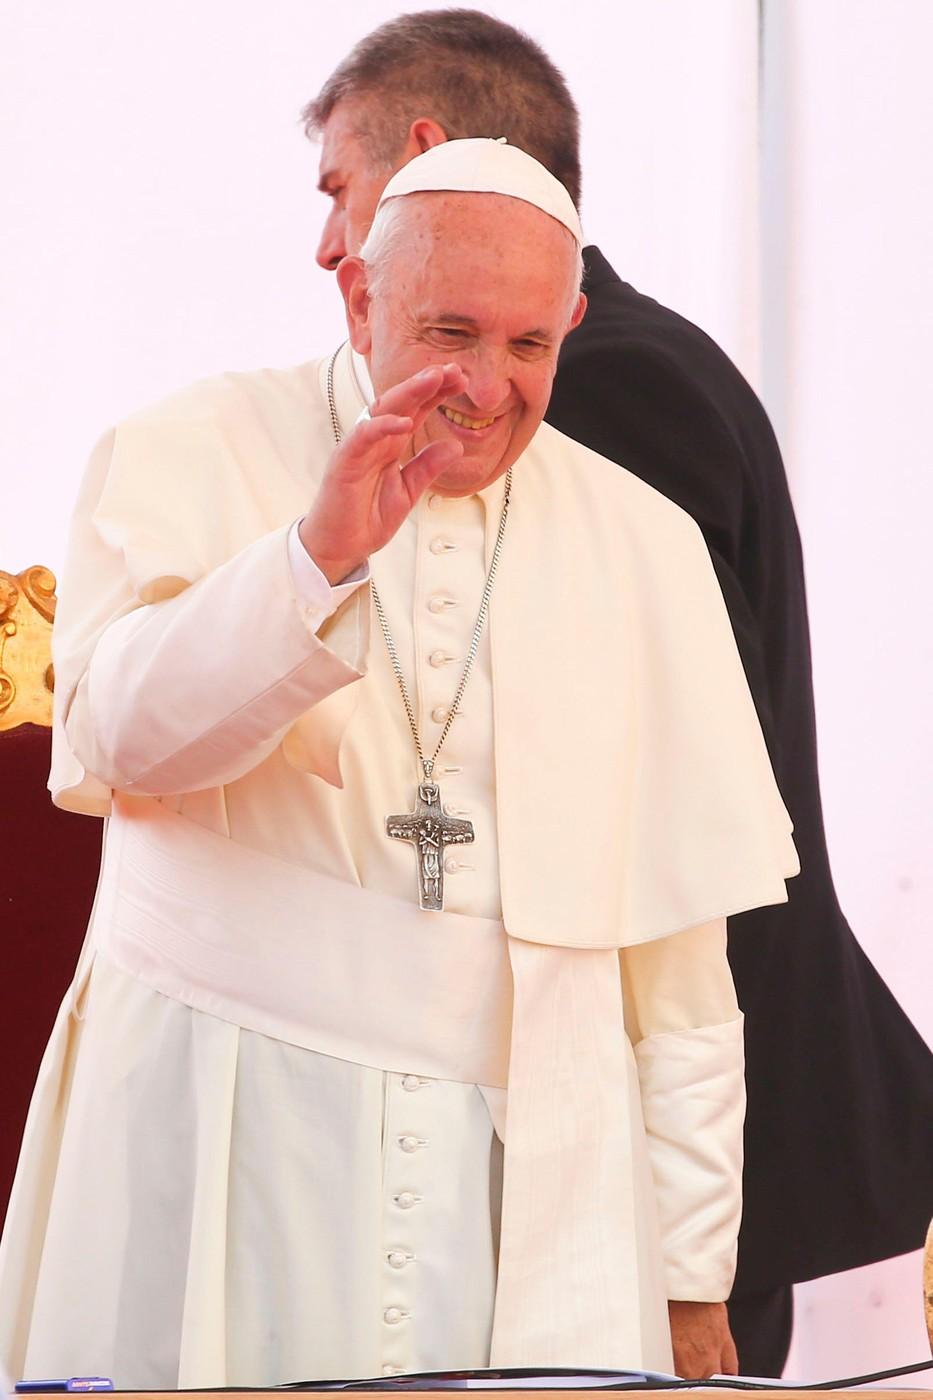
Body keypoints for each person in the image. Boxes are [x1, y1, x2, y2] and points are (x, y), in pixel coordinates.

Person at [0, 140, 799, 1385]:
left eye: (528, 345)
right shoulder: (190, 442)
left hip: (528, 1172)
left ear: (572, 326)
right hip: (223, 1117)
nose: (486, 387)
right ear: (360, 298)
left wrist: (692, 1274)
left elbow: (684, 975)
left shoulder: (644, 542)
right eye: (450, 332)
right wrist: (310, 560)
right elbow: (115, 740)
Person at [303, 8, 933, 1376]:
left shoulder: (605, 392)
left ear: (425, 153)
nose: (324, 244)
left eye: (337, 189)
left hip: (673, 1111)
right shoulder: (637, 359)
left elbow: (646, 788)